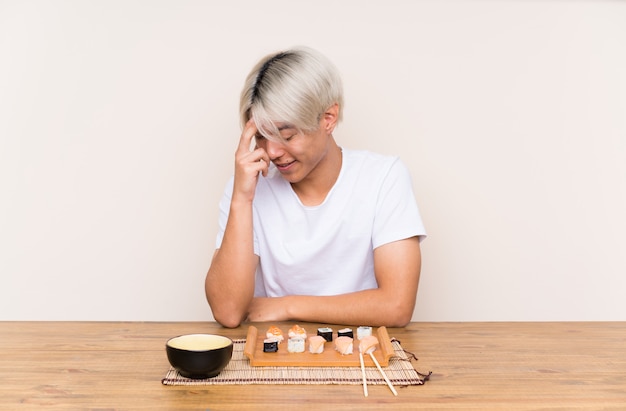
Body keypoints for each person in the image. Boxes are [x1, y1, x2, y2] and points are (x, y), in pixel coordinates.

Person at [205, 47, 426, 328]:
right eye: (261, 137)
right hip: (276, 357)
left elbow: (396, 306)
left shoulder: (383, 178)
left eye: (286, 135)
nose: (271, 152)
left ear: (328, 119)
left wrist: (287, 305)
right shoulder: (248, 188)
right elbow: (228, 312)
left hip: (359, 355)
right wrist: (241, 198)